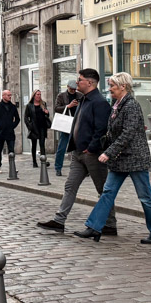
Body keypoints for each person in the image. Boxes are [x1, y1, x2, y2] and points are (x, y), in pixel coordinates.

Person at [75, 73, 151, 244]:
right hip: (119, 160)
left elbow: (128, 134)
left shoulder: (131, 105)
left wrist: (108, 152)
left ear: (123, 86)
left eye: (112, 85)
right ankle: (94, 227)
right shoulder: (117, 105)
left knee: (145, 196)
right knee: (107, 192)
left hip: (134, 159)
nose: (109, 89)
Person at [37, 68, 118, 236]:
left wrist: (92, 147)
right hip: (78, 153)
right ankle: (59, 220)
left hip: (92, 154)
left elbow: (101, 129)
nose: (76, 82)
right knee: (70, 186)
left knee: (103, 190)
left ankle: (110, 224)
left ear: (89, 82)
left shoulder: (99, 102)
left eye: (79, 79)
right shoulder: (83, 99)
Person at [53, 80, 81, 177]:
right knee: (62, 147)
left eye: (74, 89)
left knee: (79, 146)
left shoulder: (80, 95)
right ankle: (58, 168)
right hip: (66, 123)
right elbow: (56, 108)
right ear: (68, 87)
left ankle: (82, 168)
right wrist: (68, 106)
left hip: (77, 123)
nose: (73, 91)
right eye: (71, 89)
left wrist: (79, 105)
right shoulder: (61, 96)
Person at [0, 90, 20, 173]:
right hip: (1, 132)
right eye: (8, 95)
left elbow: (17, 119)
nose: (10, 96)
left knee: (11, 150)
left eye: (10, 95)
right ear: (3, 96)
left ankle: (12, 166)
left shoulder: (13, 107)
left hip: (10, 132)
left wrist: (12, 125)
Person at [26, 90, 51, 168]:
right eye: (37, 94)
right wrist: (29, 126)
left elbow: (47, 115)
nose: (39, 96)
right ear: (34, 95)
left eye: (40, 94)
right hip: (34, 127)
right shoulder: (29, 105)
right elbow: (26, 117)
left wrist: (47, 113)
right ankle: (34, 162)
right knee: (34, 145)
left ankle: (43, 161)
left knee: (42, 144)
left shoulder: (43, 104)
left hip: (42, 126)